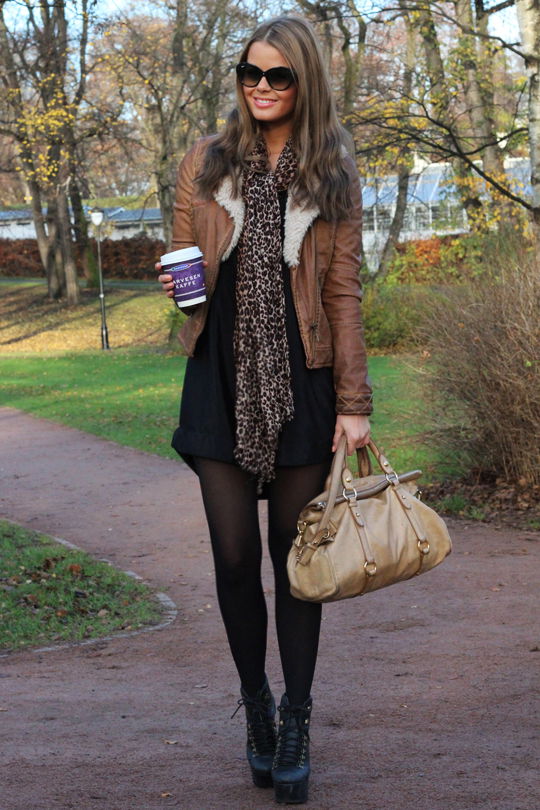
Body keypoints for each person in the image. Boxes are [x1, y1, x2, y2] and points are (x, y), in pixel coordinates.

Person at [158, 15, 372, 805]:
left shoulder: (332, 171)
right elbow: (188, 272)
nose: (262, 87)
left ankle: (297, 721)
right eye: (251, 73)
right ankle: (257, 706)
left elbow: (342, 294)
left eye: (278, 75)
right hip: (219, 376)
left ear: (303, 81)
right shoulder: (205, 161)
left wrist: (354, 403)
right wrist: (179, 286)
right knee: (233, 558)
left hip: (304, 379)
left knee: (296, 559)